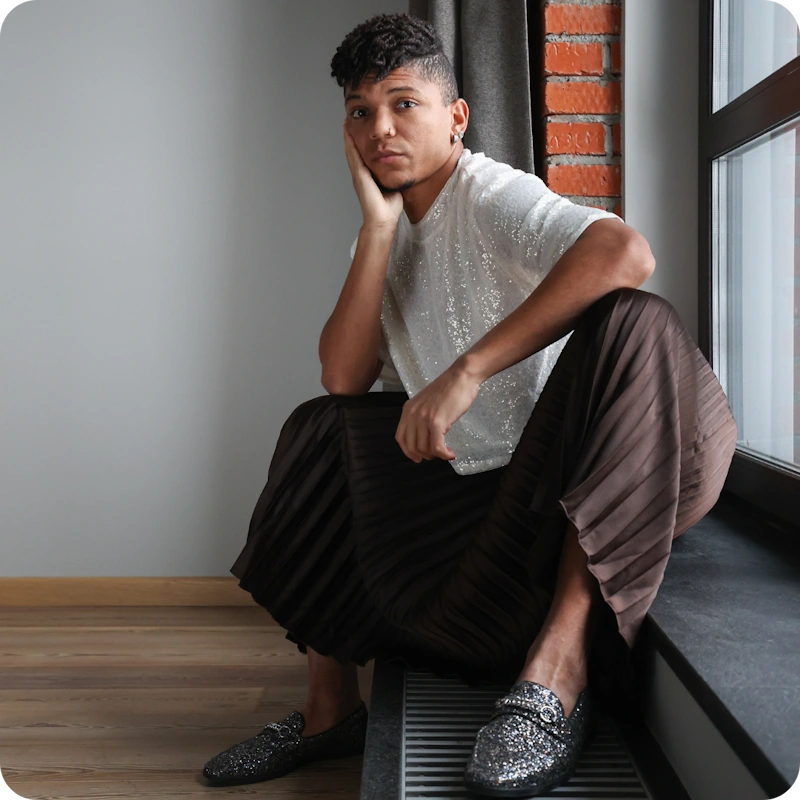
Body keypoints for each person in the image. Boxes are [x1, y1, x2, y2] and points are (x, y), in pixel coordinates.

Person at [201, 11, 738, 796]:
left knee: (637, 318)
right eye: (360, 111)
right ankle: (328, 711)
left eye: (402, 102)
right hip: (483, 517)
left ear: (456, 117)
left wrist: (466, 371)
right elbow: (343, 379)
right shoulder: (382, 231)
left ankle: (558, 675)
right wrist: (377, 232)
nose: (380, 127)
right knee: (321, 428)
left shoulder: (488, 193)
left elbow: (627, 251)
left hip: (583, 492)